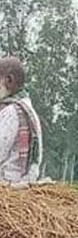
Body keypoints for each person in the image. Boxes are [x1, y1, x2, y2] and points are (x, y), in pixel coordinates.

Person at [0, 56, 43, 184]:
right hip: (25, 183)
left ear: (9, 80)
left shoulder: (12, 112)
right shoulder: (29, 110)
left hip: (8, 184)